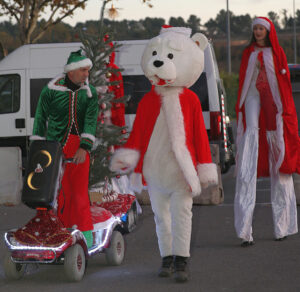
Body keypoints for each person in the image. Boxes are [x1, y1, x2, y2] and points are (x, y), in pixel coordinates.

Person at [234, 17, 300, 247]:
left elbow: (283, 84)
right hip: (252, 97)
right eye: (256, 29)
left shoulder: (277, 53)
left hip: (275, 106)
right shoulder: (249, 53)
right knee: (248, 155)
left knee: (280, 169)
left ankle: (282, 227)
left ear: (268, 31)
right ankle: (244, 231)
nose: (258, 31)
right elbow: (244, 80)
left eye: (261, 28)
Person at [31, 50, 99, 248]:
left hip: (79, 147)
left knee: (78, 192)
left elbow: (90, 121)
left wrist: (84, 147)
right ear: (71, 71)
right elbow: (40, 118)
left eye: (88, 70)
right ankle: (54, 230)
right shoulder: (50, 90)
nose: (87, 74)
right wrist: (38, 148)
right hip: (54, 147)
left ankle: (85, 233)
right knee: (55, 192)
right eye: (83, 70)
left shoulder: (90, 93)